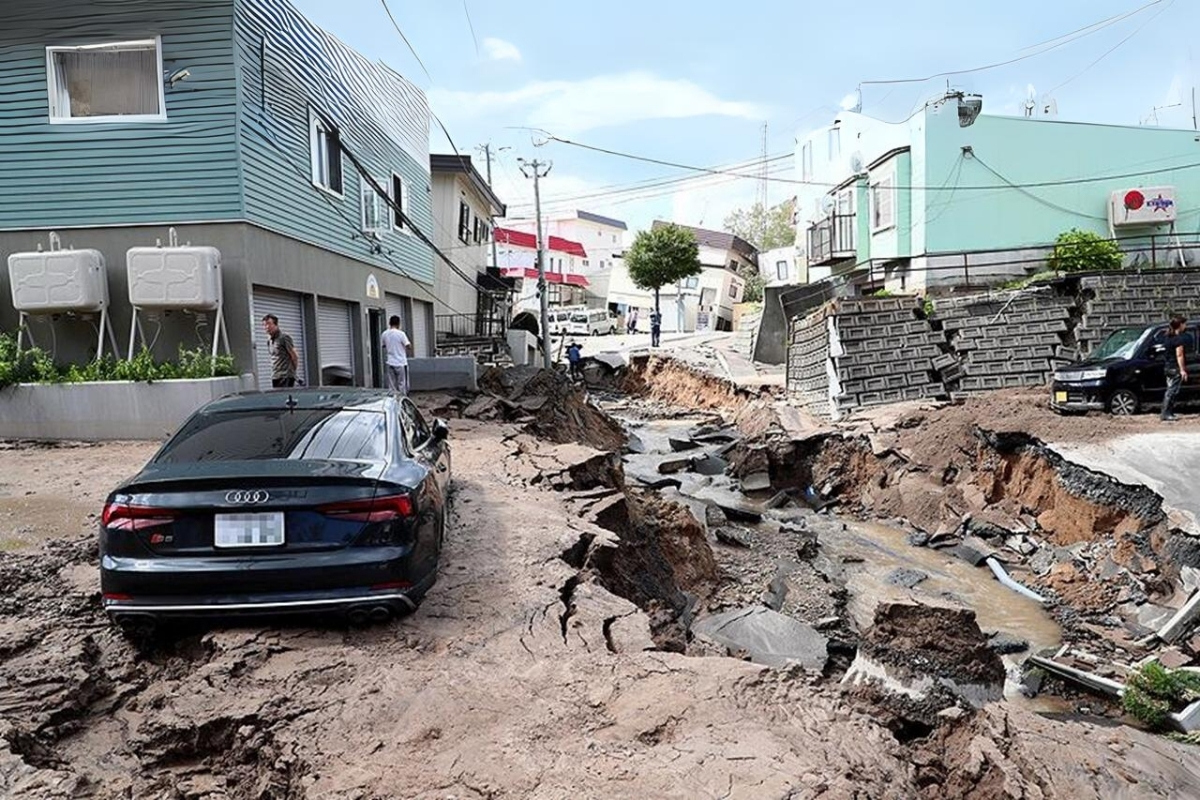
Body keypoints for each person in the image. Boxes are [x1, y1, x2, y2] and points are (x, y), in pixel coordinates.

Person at [1162, 314, 1189, 422]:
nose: (1185, 326)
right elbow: (1179, 355)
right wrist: (1182, 370)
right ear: (1180, 325)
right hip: (1174, 368)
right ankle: (1166, 413)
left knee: (1169, 390)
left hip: (1168, 367)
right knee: (1172, 391)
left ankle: (1168, 412)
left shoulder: (1168, 337)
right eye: (1184, 324)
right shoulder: (1178, 339)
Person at [263, 314, 298, 388]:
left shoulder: (284, 338)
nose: (267, 327)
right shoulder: (269, 340)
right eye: (264, 325)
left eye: (269, 324)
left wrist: (292, 372)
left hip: (286, 376)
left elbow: (294, 356)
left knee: (285, 398)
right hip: (275, 376)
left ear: (276, 325)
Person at [381, 315, 413, 395]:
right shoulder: (401, 334)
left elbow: (383, 345)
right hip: (401, 362)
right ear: (398, 323)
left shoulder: (384, 334)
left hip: (390, 361)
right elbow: (408, 346)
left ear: (389, 323)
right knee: (402, 384)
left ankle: (392, 401)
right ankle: (402, 401)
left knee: (391, 385)